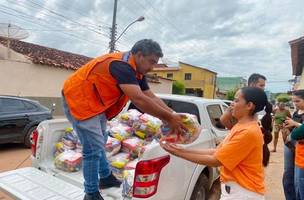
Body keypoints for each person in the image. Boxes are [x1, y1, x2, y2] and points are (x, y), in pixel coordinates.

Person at [62, 39, 185, 200]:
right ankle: (91, 193)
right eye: (152, 62)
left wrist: (174, 115)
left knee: (102, 139)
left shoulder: (137, 71)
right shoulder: (121, 66)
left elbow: (150, 96)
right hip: (79, 99)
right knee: (92, 148)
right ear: (140, 55)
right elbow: (139, 99)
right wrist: (168, 118)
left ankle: (105, 177)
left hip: (96, 103)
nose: (153, 67)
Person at [161, 87, 272, 199]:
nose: (231, 104)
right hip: (237, 190)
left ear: (249, 106)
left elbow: (216, 161)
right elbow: (217, 151)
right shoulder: (241, 126)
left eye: (236, 101)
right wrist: (182, 149)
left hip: (243, 192)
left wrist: (178, 153)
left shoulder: (248, 132)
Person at [283, 89, 304, 200]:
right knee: (289, 173)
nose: (295, 104)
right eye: (294, 101)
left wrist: (294, 124)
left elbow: (301, 130)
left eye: (298, 101)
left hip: (299, 145)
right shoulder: (296, 112)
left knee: (299, 176)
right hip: (290, 144)